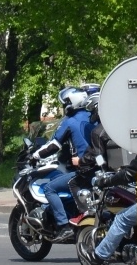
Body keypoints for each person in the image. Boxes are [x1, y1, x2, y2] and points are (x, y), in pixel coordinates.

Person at [36, 87, 94, 230]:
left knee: (49, 188)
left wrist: (35, 155)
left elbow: (54, 145)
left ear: (70, 103)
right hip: (100, 166)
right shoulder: (93, 117)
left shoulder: (70, 121)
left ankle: (63, 226)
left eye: (64, 104)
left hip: (84, 168)